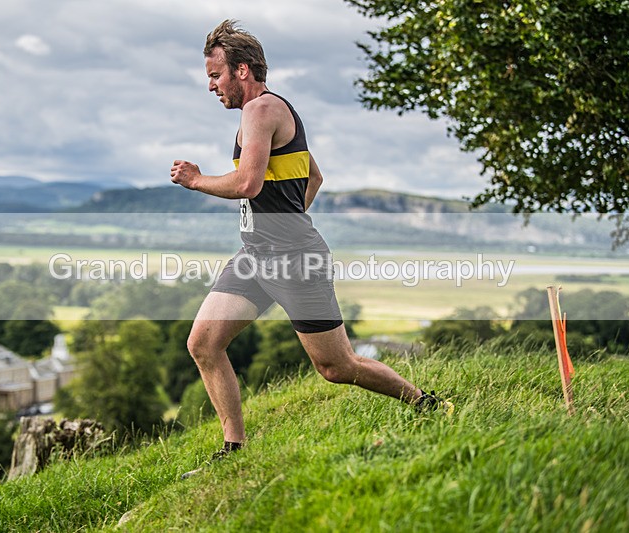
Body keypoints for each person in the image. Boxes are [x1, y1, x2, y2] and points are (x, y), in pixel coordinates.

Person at [170, 20, 453, 475]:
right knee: (203, 343)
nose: (211, 85)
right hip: (256, 257)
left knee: (336, 367)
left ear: (242, 71)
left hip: (295, 260)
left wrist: (196, 180)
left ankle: (427, 404)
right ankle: (234, 451)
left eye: (215, 74)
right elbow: (314, 177)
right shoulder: (272, 113)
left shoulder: (261, 110)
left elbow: (248, 182)